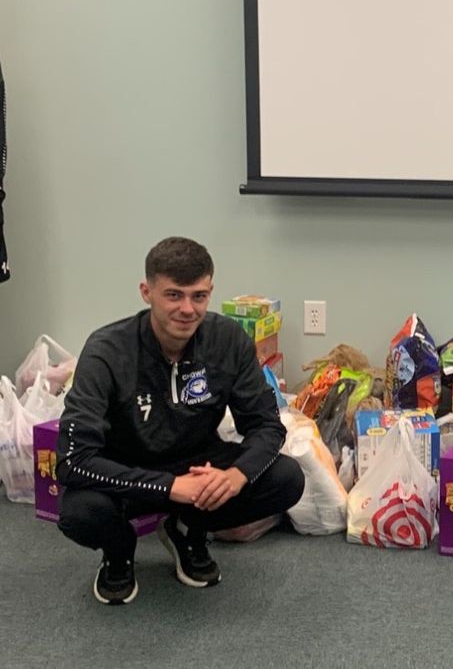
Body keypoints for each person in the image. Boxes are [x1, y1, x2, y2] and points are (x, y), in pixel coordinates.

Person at [56, 237, 304, 605]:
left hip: (198, 465)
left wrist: (234, 477)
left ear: (210, 292)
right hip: (126, 472)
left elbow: (268, 426)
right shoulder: (105, 351)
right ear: (147, 292)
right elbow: (73, 460)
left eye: (199, 296)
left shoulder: (229, 341)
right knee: (81, 511)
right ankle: (119, 550)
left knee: (286, 479)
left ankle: (187, 529)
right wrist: (170, 487)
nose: (188, 309)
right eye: (174, 295)